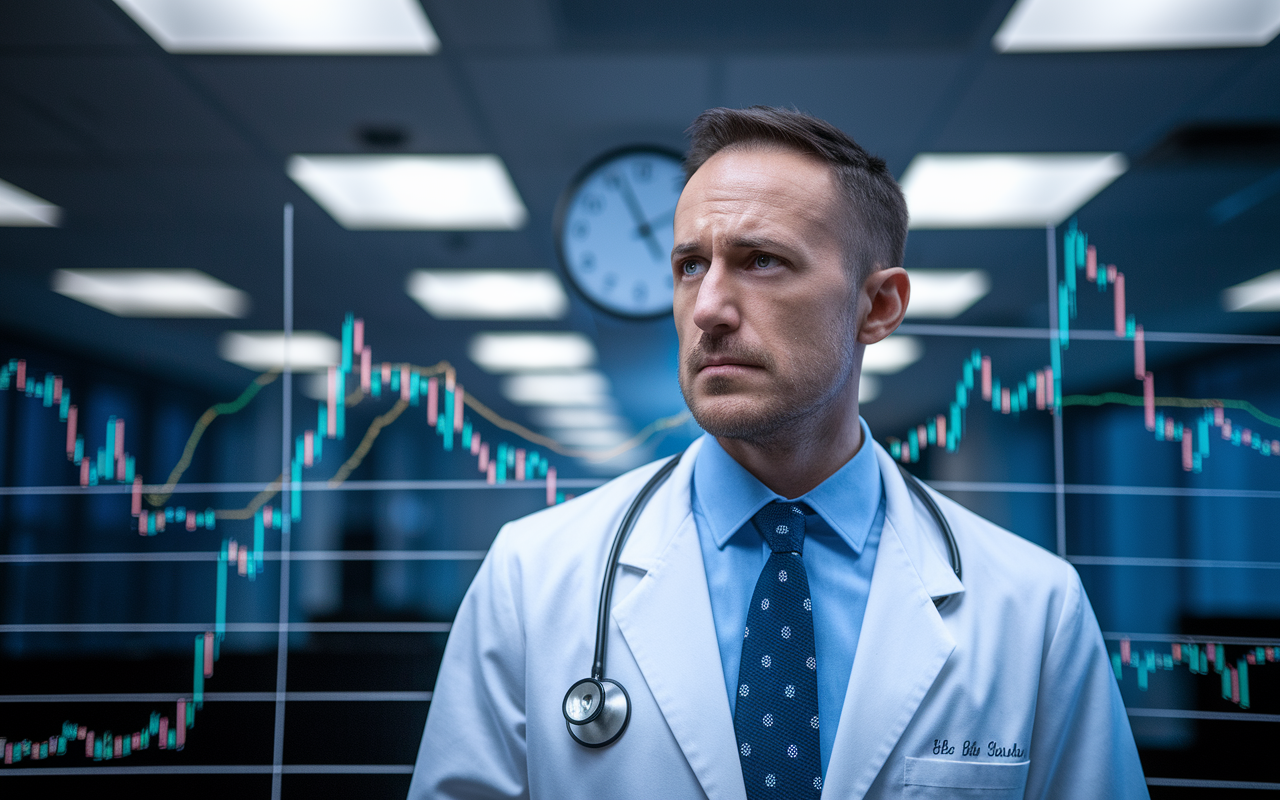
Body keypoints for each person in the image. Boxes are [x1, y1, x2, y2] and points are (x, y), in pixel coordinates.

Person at [408, 107, 1148, 799]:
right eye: (690, 265)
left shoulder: (1033, 609)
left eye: (760, 260)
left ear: (878, 306)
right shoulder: (530, 577)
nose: (707, 309)